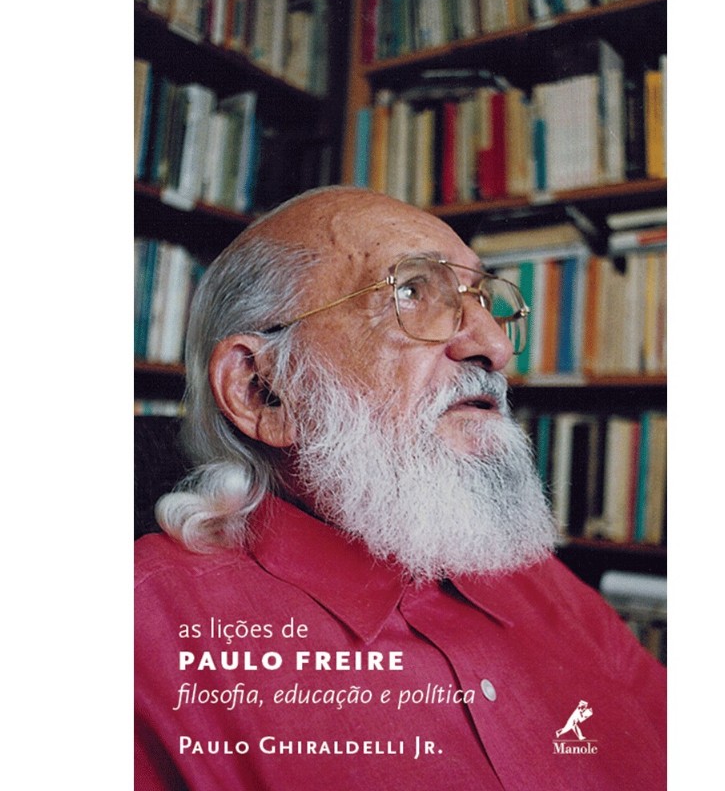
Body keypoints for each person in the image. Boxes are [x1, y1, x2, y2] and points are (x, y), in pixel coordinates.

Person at [135, 186, 666, 790]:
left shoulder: (538, 578)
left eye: (485, 301)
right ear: (264, 391)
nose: (494, 345)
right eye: (412, 291)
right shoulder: (144, 635)